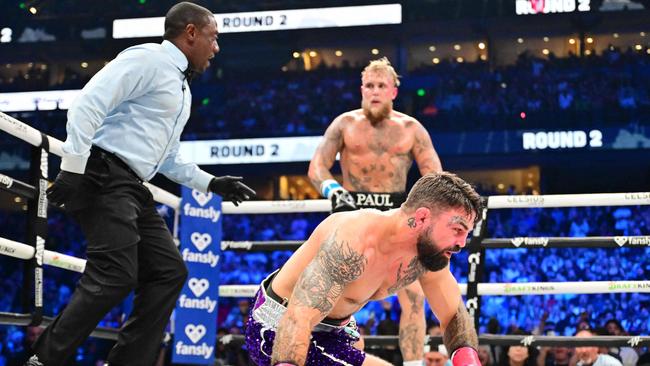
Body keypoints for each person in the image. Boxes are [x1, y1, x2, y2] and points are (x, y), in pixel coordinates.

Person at [26, 3, 255, 365]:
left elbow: (167, 160)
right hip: (103, 175)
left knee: (170, 272)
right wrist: (72, 167)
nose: (216, 48)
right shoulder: (148, 59)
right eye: (213, 38)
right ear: (191, 33)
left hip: (132, 185)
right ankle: (43, 360)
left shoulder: (182, 89)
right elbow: (87, 104)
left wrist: (212, 183)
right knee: (115, 273)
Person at [245, 172, 482, 366]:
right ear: (422, 218)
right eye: (458, 230)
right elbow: (298, 318)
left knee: (358, 349)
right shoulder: (354, 240)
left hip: (335, 329)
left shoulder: (430, 254)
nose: (462, 243)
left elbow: (453, 316)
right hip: (279, 328)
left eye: (467, 233)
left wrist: (469, 362)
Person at [308, 57, 443, 365]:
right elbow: (317, 167)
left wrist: (419, 210)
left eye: (381, 85)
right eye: (369, 85)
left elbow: (434, 176)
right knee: (330, 297)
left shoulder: (412, 128)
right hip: (352, 216)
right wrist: (334, 191)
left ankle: (412, 364)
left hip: (396, 219)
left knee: (413, 297)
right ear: (361, 90)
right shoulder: (344, 124)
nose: (375, 91)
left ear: (394, 91)